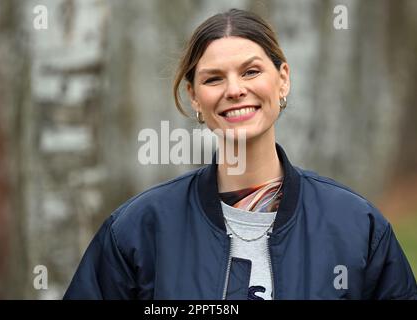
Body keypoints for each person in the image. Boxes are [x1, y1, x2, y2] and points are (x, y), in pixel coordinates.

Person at [64, 8, 416, 300]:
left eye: (251, 71)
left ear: (283, 80)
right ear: (194, 97)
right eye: (213, 79)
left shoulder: (356, 226)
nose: (235, 90)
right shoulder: (140, 229)